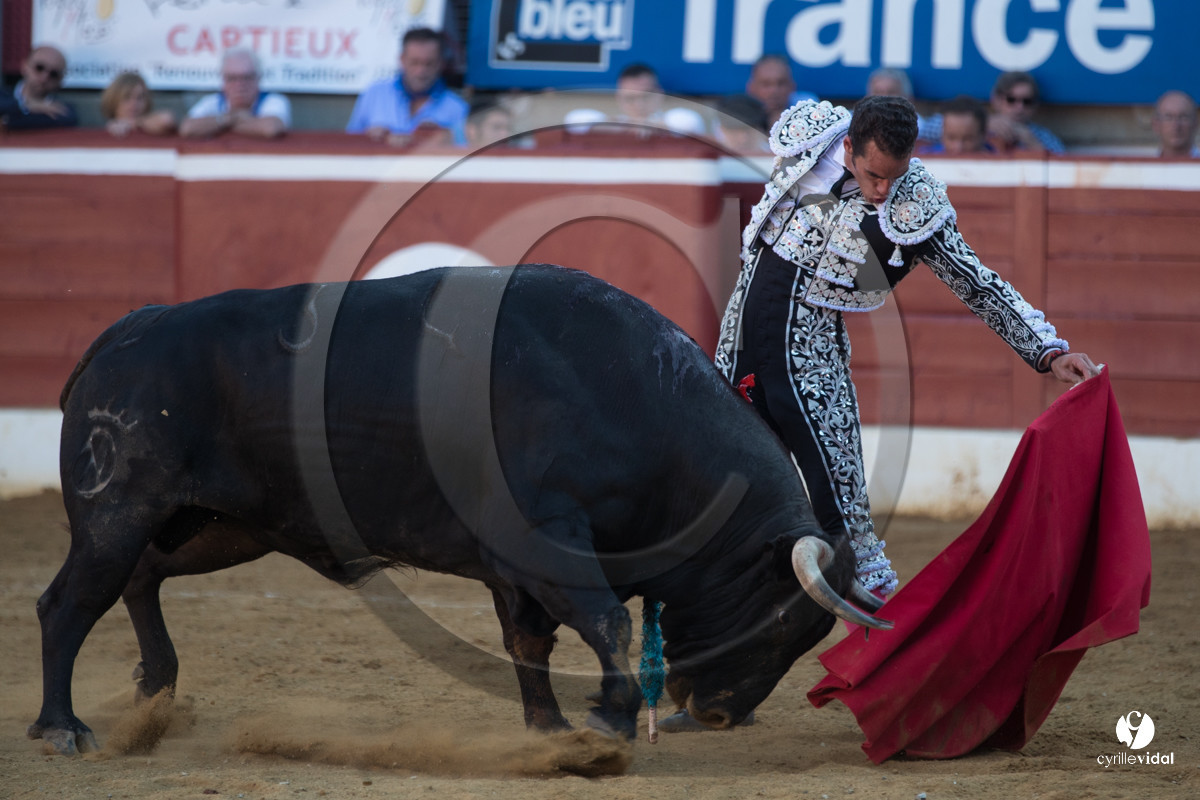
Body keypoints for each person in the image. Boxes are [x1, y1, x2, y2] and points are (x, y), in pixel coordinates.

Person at [662, 95, 1103, 734]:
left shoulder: (914, 202)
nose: (881, 191)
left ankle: (914, 696)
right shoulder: (810, 140)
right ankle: (720, 693)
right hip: (740, 356)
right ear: (848, 147)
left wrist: (1047, 350)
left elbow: (976, 282)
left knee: (849, 538)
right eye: (872, 175)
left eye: (893, 177)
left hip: (811, 371)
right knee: (722, 522)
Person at [346, 27, 467, 146]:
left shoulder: (456, 108)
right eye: (414, 62)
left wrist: (443, 138)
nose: (421, 71)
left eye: (429, 64)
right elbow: (349, 142)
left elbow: (463, 152)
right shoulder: (375, 94)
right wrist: (368, 137)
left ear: (441, 63)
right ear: (402, 60)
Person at [179, 49, 290, 139]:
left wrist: (217, 124)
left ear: (258, 78)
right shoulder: (212, 101)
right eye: (232, 78)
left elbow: (270, 128)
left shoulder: (273, 101)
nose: (239, 85)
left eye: (246, 78)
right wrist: (230, 118)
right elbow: (187, 128)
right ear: (223, 80)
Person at [0, 45, 77, 131]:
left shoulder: (61, 108)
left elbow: (66, 119)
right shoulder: (3, 96)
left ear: (60, 80)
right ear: (24, 66)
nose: (44, 78)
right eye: (39, 68)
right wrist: (26, 105)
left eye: (53, 74)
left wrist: (8, 119)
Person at [987, 71, 1064, 154]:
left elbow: (1060, 160)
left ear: (1035, 104)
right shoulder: (983, 128)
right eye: (1011, 100)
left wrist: (1032, 143)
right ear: (996, 100)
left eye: (1027, 101)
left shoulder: (1043, 137)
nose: (1019, 108)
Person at [865, 67, 940, 143]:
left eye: (891, 92)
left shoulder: (925, 131)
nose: (884, 98)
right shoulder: (859, 127)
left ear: (908, 98)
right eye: (877, 92)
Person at [745, 54, 816, 127]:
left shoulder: (808, 109)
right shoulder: (740, 115)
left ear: (792, 86)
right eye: (766, 84)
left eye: (781, 83)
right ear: (751, 88)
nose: (774, 91)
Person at [100, 72, 176, 137]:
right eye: (126, 97)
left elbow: (166, 120)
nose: (134, 103)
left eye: (139, 98)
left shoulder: (150, 126)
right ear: (113, 100)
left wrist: (131, 123)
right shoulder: (102, 131)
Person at [922, 95, 993, 155]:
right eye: (951, 138)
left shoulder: (997, 162)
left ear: (984, 135)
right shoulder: (926, 158)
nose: (958, 148)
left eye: (968, 139)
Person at [1150, 90, 1199, 158]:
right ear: (1156, 124)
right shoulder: (1143, 164)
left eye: (1183, 117)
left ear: (1195, 123)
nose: (1176, 126)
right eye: (1168, 118)